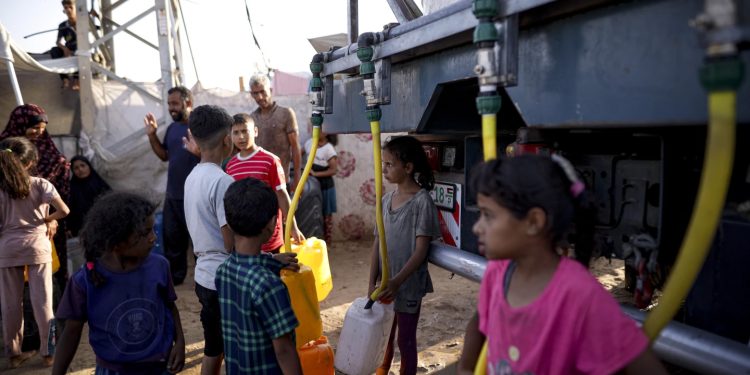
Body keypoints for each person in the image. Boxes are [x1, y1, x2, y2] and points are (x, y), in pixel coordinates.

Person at [458, 155, 667, 375]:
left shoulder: (580, 294)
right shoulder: (499, 272)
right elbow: (480, 319)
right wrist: (465, 367)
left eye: (488, 215)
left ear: (533, 222)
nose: (477, 228)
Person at [52, 192, 185, 375]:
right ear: (116, 241)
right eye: (145, 233)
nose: (153, 238)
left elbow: (169, 306)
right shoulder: (86, 280)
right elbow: (71, 332)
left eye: (153, 230)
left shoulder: (159, 266)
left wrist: (180, 342)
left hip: (159, 367)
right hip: (113, 370)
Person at [367, 136, 441, 375]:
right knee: (384, 337)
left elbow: (421, 251)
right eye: (383, 164)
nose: (384, 170)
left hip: (406, 286)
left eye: (389, 165)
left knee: (405, 340)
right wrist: (372, 282)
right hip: (385, 286)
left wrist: (397, 282)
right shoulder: (386, 200)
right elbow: (377, 244)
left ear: (408, 168)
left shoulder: (422, 202)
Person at [216, 178, 302, 375]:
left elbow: (250, 265)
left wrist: (272, 260)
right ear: (272, 224)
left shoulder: (223, 272)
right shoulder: (269, 285)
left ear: (228, 222)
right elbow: (284, 350)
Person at [0, 137, 69, 369]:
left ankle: (14, 354)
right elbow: (64, 210)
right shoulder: (41, 184)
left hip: (8, 249)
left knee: (10, 303)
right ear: (30, 162)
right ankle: (49, 353)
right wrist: (47, 219)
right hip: (37, 246)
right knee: (44, 303)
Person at [183, 105, 236, 375]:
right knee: (231, 346)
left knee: (214, 347)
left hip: (203, 275)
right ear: (227, 140)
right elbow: (230, 243)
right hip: (224, 279)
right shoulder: (223, 181)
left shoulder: (192, 177)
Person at [1, 104, 71, 291]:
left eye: (42, 128)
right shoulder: (6, 151)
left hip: (46, 231)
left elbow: (62, 194)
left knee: (46, 281)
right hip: (12, 228)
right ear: (20, 124)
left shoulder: (51, 153)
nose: (39, 132)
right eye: (34, 127)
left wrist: (52, 219)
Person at [144, 86, 200, 286]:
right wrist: (152, 135)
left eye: (175, 103)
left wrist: (198, 153)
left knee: (200, 241)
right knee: (172, 239)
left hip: (195, 196)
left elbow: (214, 157)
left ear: (189, 103)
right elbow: (164, 155)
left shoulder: (200, 128)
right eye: (169, 104)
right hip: (173, 194)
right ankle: (176, 280)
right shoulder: (172, 128)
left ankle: (205, 280)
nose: (171, 108)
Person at [224, 113, 304, 252]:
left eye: (245, 131)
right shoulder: (231, 166)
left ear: (255, 132)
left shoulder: (270, 160)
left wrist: (293, 227)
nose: (241, 137)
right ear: (230, 136)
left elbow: (281, 194)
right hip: (244, 241)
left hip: (270, 238)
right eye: (236, 132)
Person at [248, 74, 302, 191]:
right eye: (255, 93)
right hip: (260, 182)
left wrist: (298, 178)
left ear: (271, 90)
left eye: (263, 91)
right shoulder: (252, 119)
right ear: (251, 95)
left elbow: (295, 146)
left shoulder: (285, 113)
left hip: (282, 180)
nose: (260, 97)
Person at [304, 129, 338, 245]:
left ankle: (327, 242)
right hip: (312, 186)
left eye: (321, 129)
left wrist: (315, 174)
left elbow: (333, 170)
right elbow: (298, 154)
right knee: (314, 212)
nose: (317, 131)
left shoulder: (329, 148)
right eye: (315, 127)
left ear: (327, 132)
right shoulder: (309, 143)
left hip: (325, 186)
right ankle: (315, 242)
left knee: (326, 215)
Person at [67, 155, 111, 237]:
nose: (80, 169)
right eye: (76, 168)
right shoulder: (71, 189)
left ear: (89, 166)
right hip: (84, 230)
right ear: (73, 171)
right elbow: (70, 211)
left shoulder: (100, 184)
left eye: (83, 165)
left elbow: (111, 203)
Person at [50, 0, 79, 90]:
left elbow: (96, 28)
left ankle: (76, 80)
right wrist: (64, 49)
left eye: (71, 7)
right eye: (66, 8)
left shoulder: (83, 22)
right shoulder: (63, 25)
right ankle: (65, 78)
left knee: (80, 50)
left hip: (80, 47)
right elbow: (58, 42)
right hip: (68, 47)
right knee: (54, 50)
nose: (68, 10)